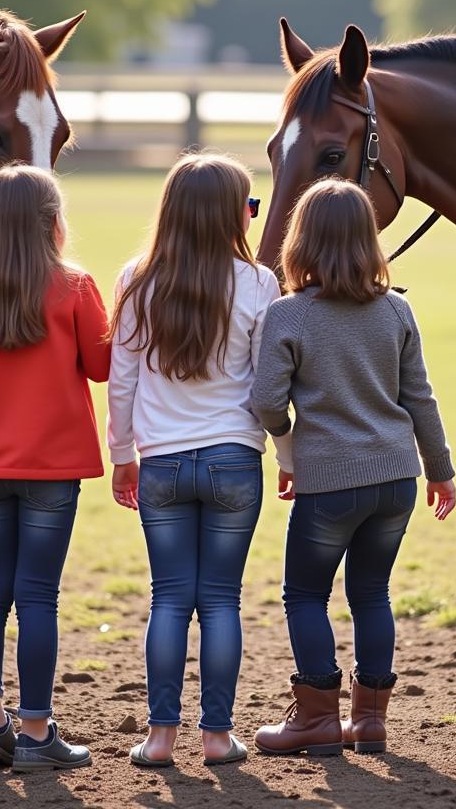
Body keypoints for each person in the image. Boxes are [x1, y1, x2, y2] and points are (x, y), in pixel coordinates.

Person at [251, 178, 456, 757]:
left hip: (329, 482)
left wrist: (288, 442)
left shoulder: (288, 314)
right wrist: (440, 469)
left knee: (305, 595)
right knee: (372, 593)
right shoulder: (397, 309)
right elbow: (421, 398)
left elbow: (266, 400)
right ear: (369, 242)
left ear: (301, 241)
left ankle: (316, 717)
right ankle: (369, 723)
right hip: (397, 479)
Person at [0, 164, 110, 772]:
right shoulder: (74, 285)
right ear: (50, 222)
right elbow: (102, 365)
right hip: (50, 468)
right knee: (38, 597)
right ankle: (36, 733)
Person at [107, 152, 281, 768]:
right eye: (250, 205)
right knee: (222, 601)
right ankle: (216, 736)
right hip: (236, 457)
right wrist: (285, 455)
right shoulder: (260, 283)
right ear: (234, 214)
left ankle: (159, 739)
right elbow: (269, 387)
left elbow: (121, 379)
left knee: (169, 599)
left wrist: (121, 457)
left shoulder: (136, 277)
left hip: (162, 465)